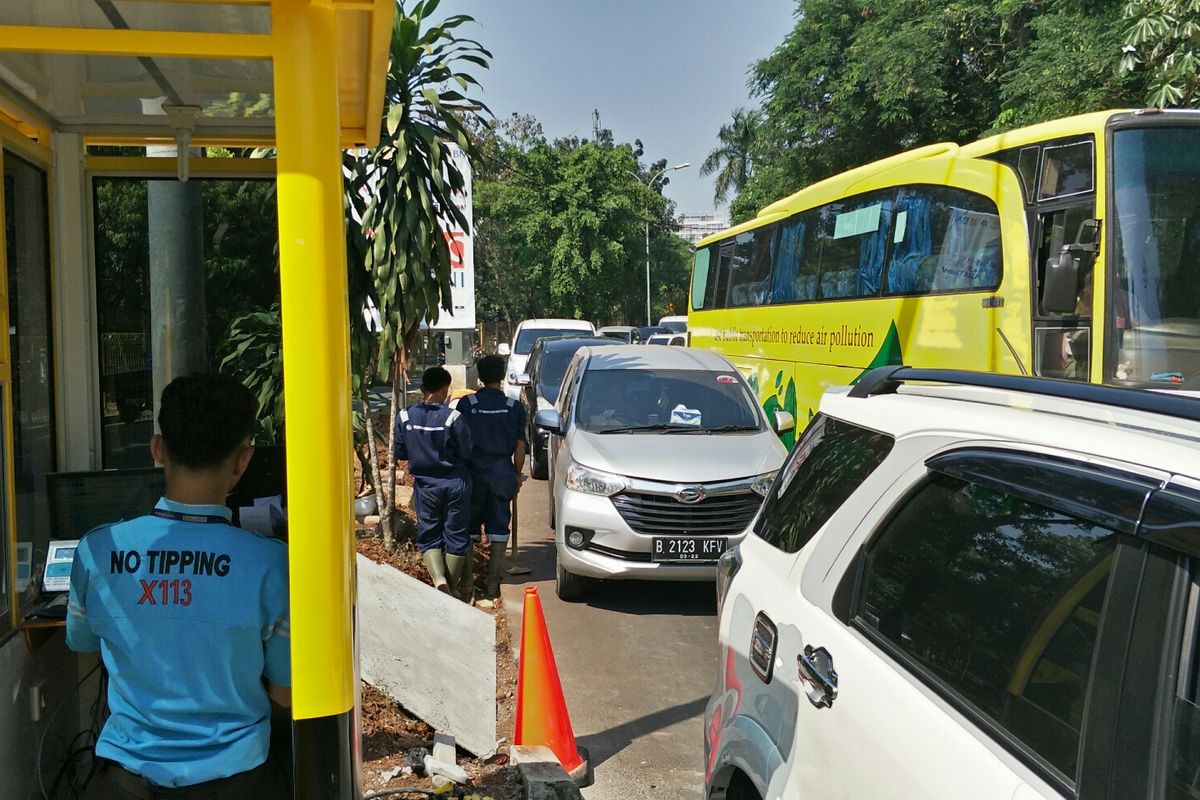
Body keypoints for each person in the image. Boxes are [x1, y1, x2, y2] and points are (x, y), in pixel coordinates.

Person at [66, 374, 290, 799]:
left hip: (123, 780)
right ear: (243, 461)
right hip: (238, 781)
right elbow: (285, 693)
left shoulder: (96, 551)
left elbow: (82, 643)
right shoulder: (269, 563)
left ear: (157, 449)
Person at [395, 366, 474, 597]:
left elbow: (401, 452)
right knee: (456, 534)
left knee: (429, 533)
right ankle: (452, 586)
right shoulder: (453, 417)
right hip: (455, 483)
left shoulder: (405, 416)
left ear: (421, 389)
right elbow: (466, 451)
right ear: (444, 390)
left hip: (426, 485)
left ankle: (439, 579)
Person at [456, 355, 527, 601]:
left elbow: (458, 439)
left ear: (480, 376)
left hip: (472, 473)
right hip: (501, 472)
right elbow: (520, 445)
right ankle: (493, 585)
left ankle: (467, 584)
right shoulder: (513, 406)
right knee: (498, 527)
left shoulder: (467, 404)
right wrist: (517, 475)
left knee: (468, 527)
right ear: (502, 375)